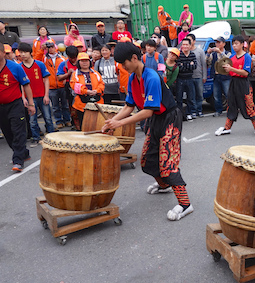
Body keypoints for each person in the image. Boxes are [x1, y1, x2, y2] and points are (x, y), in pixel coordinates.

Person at [103, 42, 193, 221]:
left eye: (123, 63)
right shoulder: (132, 78)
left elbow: (147, 111)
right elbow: (130, 106)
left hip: (170, 119)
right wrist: (113, 120)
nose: (122, 67)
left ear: (134, 58)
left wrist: (118, 124)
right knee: (147, 159)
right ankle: (164, 186)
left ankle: (185, 204)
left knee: (168, 163)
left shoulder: (151, 76)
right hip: (156, 120)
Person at [214, 35, 255, 138]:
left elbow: (245, 73)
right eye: (233, 44)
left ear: (242, 44)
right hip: (233, 83)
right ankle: (227, 128)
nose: (234, 46)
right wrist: (223, 70)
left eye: (237, 43)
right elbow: (229, 72)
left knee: (249, 105)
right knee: (231, 105)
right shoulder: (231, 57)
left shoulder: (247, 57)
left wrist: (231, 69)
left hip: (243, 83)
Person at [0, 43, 35, 172]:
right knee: (8, 133)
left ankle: (18, 160)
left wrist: (31, 104)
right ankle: (23, 153)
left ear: (3, 53)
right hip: (1, 107)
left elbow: (26, 85)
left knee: (18, 131)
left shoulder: (15, 67)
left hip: (15, 104)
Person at [17, 42, 55, 147]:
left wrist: (47, 95)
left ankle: (51, 136)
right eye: (21, 52)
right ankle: (36, 138)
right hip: (30, 98)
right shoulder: (19, 67)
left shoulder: (40, 64)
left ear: (30, 52)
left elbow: (46, 80)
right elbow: (20, 84)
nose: (22, 54)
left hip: (42, 95)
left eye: (24, 52)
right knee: (32, 120)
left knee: (47, 117)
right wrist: (23, 97)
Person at [69, 52, 105, 129]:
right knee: (84, 125)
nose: (84, 62)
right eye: (82, 61)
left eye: (86, 60)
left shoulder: (96, 73)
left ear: (90, 62)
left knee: (96, 124)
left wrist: (97, 90)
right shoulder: (75, 74)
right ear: (78, 62)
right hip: (81, 104)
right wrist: (86, 91)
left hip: (97, 102)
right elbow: (74, 85)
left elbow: (101, 84)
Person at [43, 41, 70, 129]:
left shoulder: (62, 58)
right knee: (55, 106)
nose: (51, 49)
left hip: (62, 85)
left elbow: (66, 70)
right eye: (49, 47)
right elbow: (37, 57)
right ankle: (59, 121)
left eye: (52, 47)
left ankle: (67, 120)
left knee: (65, 104)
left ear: (56, 48)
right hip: (51, 86)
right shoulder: (44, 59)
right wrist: (42, 49)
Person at [206, 36, 231, 116]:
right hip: (216, 76)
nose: (217, 44)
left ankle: (231, 109)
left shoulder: (227, 53)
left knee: (228, 94)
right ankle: (218, 110)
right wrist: (208, 53)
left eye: (219, 42)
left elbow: (228, 61)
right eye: (216, 42)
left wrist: (220, 53)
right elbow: (207, 62)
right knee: (216, 95)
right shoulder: (213, 54)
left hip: (225, 76)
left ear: (223, 44)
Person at [56, 45, 79, 128]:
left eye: (75, 57)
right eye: (72, 58)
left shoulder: (82, 62)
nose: (74, 59)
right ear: (68, 56)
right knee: (71, 106)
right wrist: (68, 74)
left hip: (80, 86)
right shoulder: (64, 64)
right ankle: (73, 123)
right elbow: (59, 77)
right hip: (69, 87)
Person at [187, 34, 207, 118]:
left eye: (190, 40)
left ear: (194, 41)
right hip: (189, 77)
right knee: (191, 96)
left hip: (198, 76)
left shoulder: (200, 51)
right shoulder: (186, 51)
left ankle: (199, 110)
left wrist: (204, 76)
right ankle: (193, 111)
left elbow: (204, 64)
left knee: (199, 95)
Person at [176, 38, 197, 120]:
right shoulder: (179, 55)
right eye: (183, 45)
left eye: (186, 44)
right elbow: (179, 67)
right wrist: (189, 64)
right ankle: (179, 115)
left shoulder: (192, 54)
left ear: (190, 45)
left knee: (191, 97)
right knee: (179, 98)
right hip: (180, 79)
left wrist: (184, 64)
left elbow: (194, 66)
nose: (185, 46)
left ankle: (190, 113)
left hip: (189, 78)